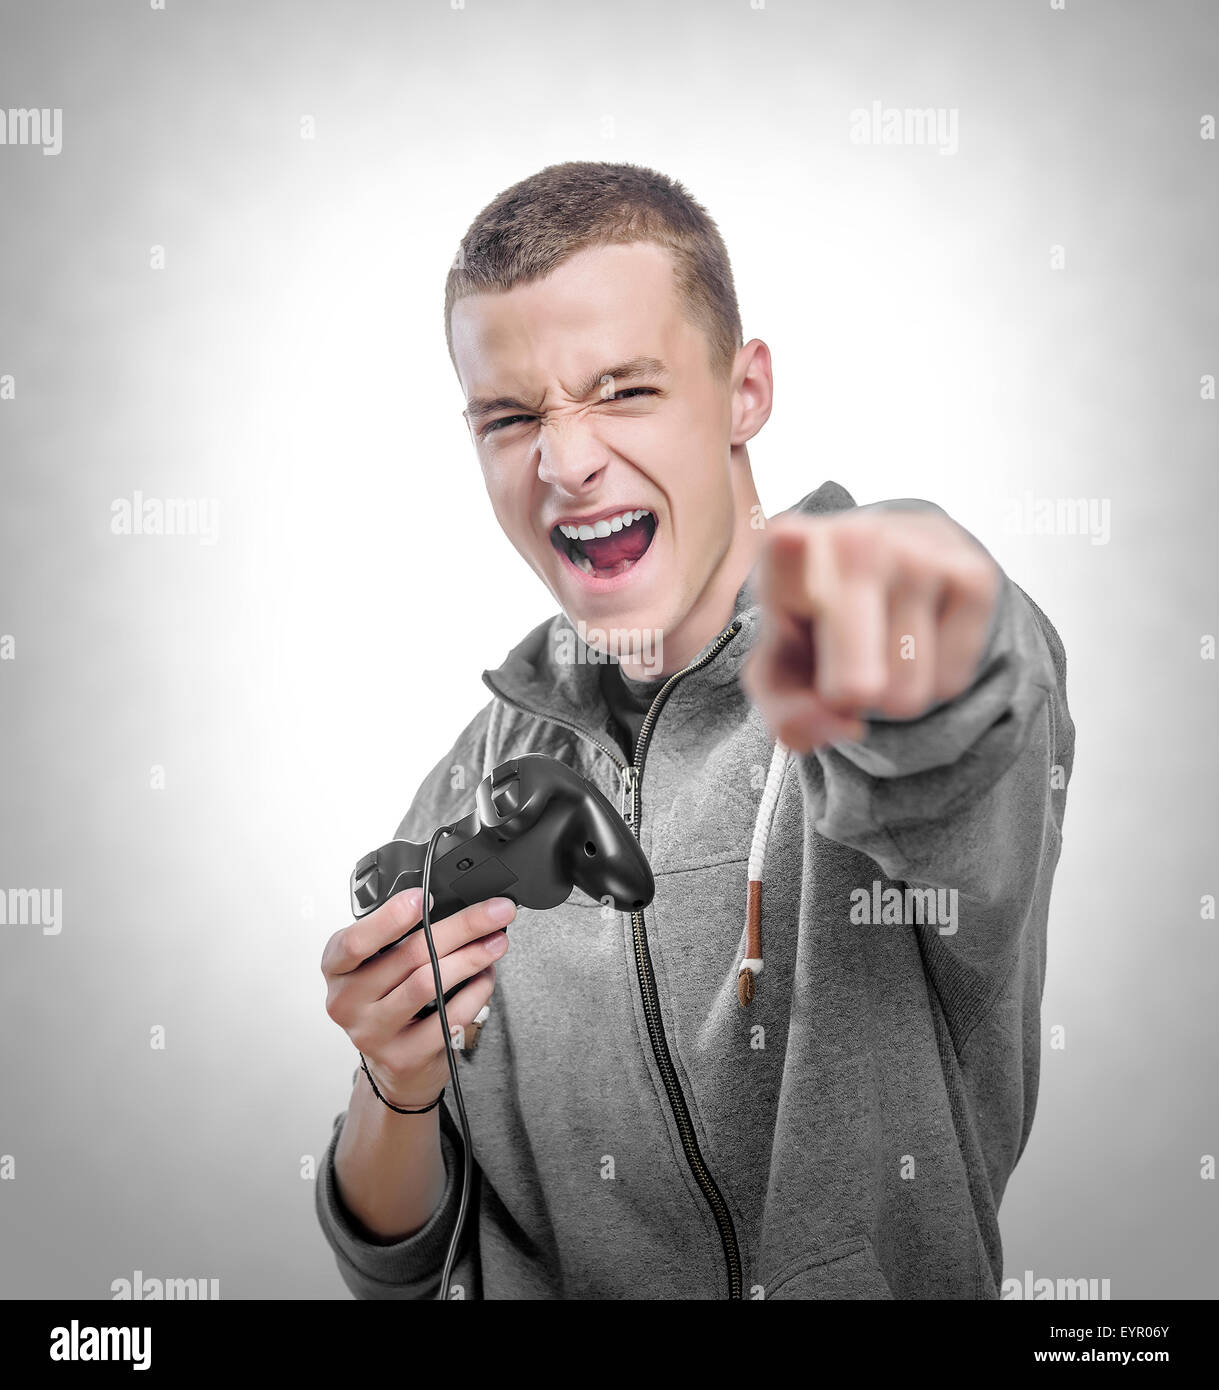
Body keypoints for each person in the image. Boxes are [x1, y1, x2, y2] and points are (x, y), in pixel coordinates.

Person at [315, 161, 1074, 1300]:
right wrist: (395, 1080)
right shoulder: (469, 780)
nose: (563, 462)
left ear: (743, 391)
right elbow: (399, 1263)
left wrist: (904, 597)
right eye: (510, 416)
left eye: (622, 391)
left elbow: (963, 716)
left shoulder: (865, 668)